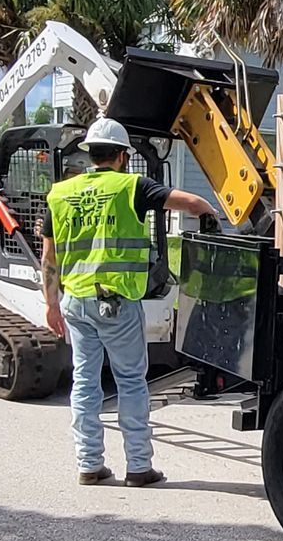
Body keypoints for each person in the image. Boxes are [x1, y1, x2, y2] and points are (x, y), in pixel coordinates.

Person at [40, 118, 212, 486]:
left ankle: (88, 465)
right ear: (121, 156)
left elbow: (49, 259)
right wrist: (212, 214)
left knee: (85, 382)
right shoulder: (131, 187)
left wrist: (51, 304)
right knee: (131, 382)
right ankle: (138, 467)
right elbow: (192, 203)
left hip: (75, 302)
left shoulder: (59, 194)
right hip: (116, 303)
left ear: (90, 154)